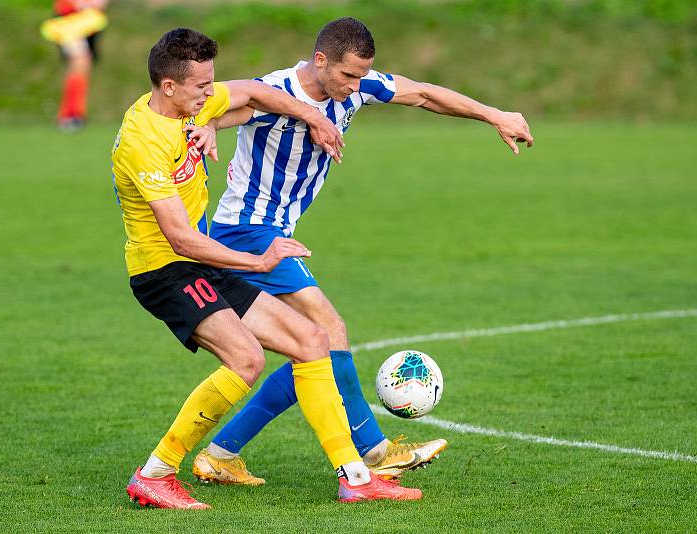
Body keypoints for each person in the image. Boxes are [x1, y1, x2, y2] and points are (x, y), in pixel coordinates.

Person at [189, 17, 534, 485]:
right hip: (245, 231)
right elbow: (224, 101)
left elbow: (426, 94)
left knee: (309, 352)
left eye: (361, 76)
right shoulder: (276, 91)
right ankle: (375, 450)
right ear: (321, 60)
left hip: (274, 232)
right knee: (329, 329)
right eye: (348, 75)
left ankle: (221, 454)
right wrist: (206, 123)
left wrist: (495, 114)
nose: (355, 87)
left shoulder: (355, 88)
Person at [112, 27, 423, 509]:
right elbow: (180, 237)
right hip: (164, 270)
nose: (210, 95)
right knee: (247, 359)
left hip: (199, 262)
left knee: (312, 340)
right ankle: (155, 473)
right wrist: (258, 261)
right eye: (201, 88)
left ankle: (357, 479)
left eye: (211, 84)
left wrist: (314, 119)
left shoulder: (191, 102)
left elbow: (257, 91)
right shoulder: (143, 141)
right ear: (169, 86)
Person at [51, 0, 109, 131]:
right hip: (68, 21)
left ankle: (75, 113)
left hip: (88, 21)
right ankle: (68, 115)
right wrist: (82, 4)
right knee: (79, 62)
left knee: (84, 65)